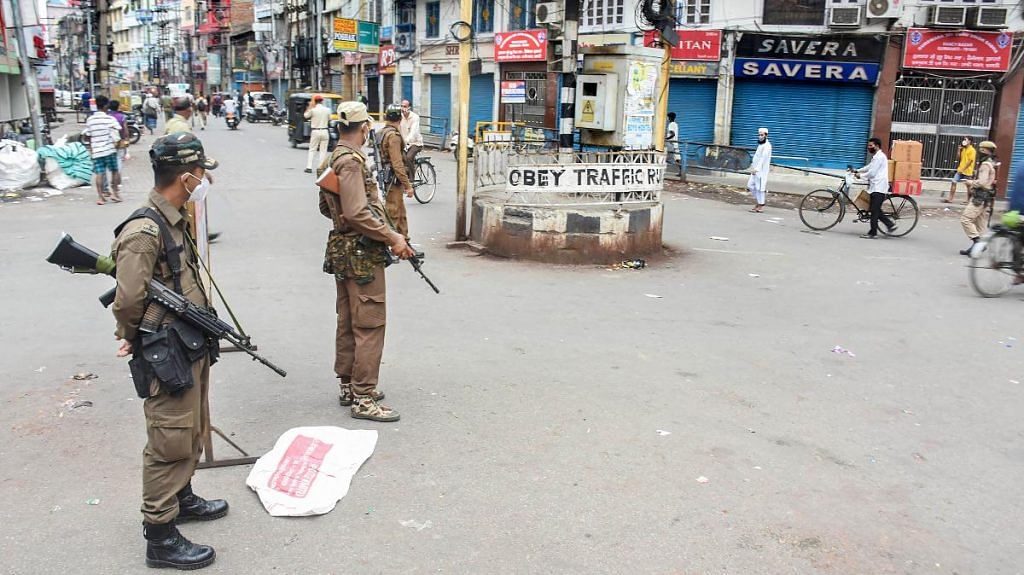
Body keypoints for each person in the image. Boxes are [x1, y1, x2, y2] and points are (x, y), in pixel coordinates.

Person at [110, 132, 224, 570]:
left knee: (192, 427)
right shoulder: (144, 231)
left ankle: (183, 496)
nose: (205, 178)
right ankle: (160, 535)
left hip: (188, 342)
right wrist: (130, 333)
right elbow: (128, 300)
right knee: (168, 440)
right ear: (187, 176)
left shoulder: (175, 219)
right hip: (166, 351)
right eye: (201, 172)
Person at [318, 101, 415, 421]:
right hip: (360, 253)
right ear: (364, 128)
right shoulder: (352, 163)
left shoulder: (333, 158)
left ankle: (349, 384)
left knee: (348, 320)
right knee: (369, 324)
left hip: (343, 249)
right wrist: (393, 237)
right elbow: (357, 212)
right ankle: (363, 396)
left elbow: (326, 207)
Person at [377, 104, 414, 237]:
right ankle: (392, 245)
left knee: (401, 213)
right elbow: (397, 164)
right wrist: (408, 186)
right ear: (400, 119)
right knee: (393, 214)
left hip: (389, 177)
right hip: (393, 179)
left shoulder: (381, 133)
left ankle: (405, 242)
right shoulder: (394, 136)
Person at [959, 140, 997, 255]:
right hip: (987, 198)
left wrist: (970, 182)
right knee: (980, 224)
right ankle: (977, 247)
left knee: (965, 219)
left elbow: (982, 182)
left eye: (981, 150)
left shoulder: (985, 164)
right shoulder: (991, 162)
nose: (980, 152)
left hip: (980, 197)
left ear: (985, 150)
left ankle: (977, 242)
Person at [83, 95, 124, 204]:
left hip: (96, 151)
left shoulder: (90, 119)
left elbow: (87, 135)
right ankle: (115, 194)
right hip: (110, 150)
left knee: (99, 174)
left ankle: (101, 197)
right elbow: (119, 130)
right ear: (106, 105)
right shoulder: (110, 119)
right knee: (114, 171)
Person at [854, 137, 897, 239]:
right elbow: (869, 167)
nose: (868, 147)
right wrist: (858, 170)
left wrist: (861, 176)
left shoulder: (880, 157)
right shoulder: (876, 157)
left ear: (877, 146)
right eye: (868, 145)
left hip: (879, 187)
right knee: (875, 209)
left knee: (874, 211)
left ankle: (873, 233)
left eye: (870, 145)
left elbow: (872, 173)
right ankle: (890, 225)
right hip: (875, 186)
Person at [304, 95, 331, 173]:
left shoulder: (313, 110)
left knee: (312, 149)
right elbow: (330, 119)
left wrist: (309, 106)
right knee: (323, 150)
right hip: (325, 131)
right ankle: (320, 167)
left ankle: (309, 167)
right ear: (322, 101)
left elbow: (305, 116)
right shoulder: (327, 110)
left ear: (315, 102)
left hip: (315, 131)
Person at [747, 127, 772, 213]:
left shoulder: (767, 146)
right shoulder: (761, 144)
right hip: (755, 169)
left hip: (761, 171)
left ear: (766, 135)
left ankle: (760, 205)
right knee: (750, 185)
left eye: (762, 135)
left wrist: (756, 169)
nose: (760, 136)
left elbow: (763, 158)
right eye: (759, 135)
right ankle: (759, 202)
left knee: (760, 188)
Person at [945, 136, 976, 204]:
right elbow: (958, 158)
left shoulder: (972, 150)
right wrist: (959, 150)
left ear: (969, 141)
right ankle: (950, 198)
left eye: (965, 139)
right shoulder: (964, 149)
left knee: (968, 186)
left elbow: (970, 161)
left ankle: (968, 200)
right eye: (963, 139)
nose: (963, 141)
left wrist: (963, 169)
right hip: (960, 170)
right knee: (954, 182)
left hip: (967, 171)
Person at [400, 99, 423, 179]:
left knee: (409, 157)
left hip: (415, 143)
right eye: (401, 106)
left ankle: (411, 179)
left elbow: (413, 133)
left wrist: (405, 141)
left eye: (405, 106)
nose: (403, 108)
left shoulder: (415, 117)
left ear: (409, 107)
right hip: (404, 144)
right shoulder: (400, 117)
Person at [107, 99, 132, 171]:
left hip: (109, 141)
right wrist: (127, 138)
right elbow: (125, 129)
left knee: (111, 158)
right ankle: (118, 175)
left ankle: (112, 173)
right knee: (119, 158)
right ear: (118, 107)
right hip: (120, 140)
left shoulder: (107, 117)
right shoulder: (122, 116)